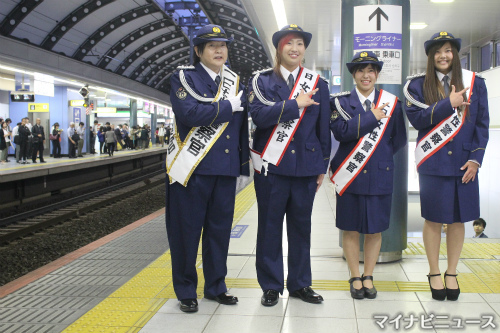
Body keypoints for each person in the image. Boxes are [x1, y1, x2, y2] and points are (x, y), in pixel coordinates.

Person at [166, 24, 249, 313]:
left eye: (223, 45)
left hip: (224, 170)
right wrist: (229, 106)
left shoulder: (235, 82)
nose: (219, 50)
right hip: (192, 170)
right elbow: (190, 113)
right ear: (198, 51)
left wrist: (242, 167)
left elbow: (239, 130)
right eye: (211, 46)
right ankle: (186, 290)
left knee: (219, 232)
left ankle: (216, 287)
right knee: (186, 232)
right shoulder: (183, 78)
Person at [248, 25, 330, 307]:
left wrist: (323, 166)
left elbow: (323, 129)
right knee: (269, 228)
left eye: (299, 43)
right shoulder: (262, 81)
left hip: (306, 167)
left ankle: (300, 284)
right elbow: (259, 116)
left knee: (301, 228)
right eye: (288, 43)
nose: (294, 48)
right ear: (279, 49)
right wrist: (295, 104)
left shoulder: (318, 82)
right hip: (272, 167)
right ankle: (270, 285)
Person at [404, 32, 489, 301]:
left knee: (457, 220)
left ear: (456, 54)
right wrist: (447, 104)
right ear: (430, 56)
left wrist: (476, 159)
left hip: (465, 163)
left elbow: (481, 125)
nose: (443, 55)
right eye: (438, 51)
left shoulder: (476, 83)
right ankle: (433, 271)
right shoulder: (417, 86)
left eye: (449, 50)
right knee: (433, 218)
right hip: (433, 163)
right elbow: (417, 119)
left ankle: (451, 272)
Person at [329, 51, 407, 299]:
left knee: (375, 230)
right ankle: (354, 275)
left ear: (377, 74)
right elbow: (341, 132)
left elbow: (398, 140)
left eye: (371, 70)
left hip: (380, 175)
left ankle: (369, 276)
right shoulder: (339, 103)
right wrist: (372, 116)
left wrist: (379, 158)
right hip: (350, 176)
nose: (366, 75)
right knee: (350, 229)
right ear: (354, 74)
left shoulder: (392, 104)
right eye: (361, 70)